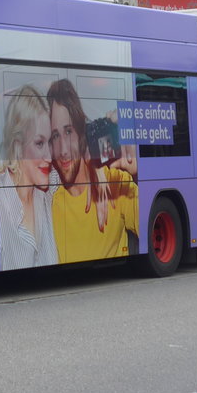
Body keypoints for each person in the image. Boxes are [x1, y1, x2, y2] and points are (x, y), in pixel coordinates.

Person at [46, 79, 138, 263]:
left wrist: (139, 172)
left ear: (82, 133)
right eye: (55, 135)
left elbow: (150, 225)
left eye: (68, 131)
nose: (63, 150)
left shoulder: (115, 182)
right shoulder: (49, 202)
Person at [0, 85, 58, 269]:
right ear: (17, 145)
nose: (49, 156)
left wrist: (100, 170)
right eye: (39, 143)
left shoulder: (48, 190)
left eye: (50, 142)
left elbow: (81, 163)